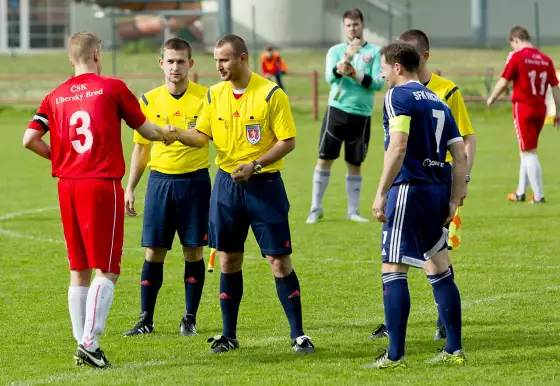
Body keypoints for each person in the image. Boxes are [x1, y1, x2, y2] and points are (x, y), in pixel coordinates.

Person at [22, 32, 176, 369]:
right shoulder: (112, 87)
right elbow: (147, 131)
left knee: (78, 269)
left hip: (67, 185)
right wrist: (171, 133)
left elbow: (28, 138)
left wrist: (62, 159)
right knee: (107, 269)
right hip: (100, 184)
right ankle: (90, 345)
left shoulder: (54, 95)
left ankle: (83, 344)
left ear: (70, 58)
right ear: (96, 53)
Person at [172, 34, 315, 355]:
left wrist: (255, 164)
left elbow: (287, 140)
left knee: (278, 261)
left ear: (242, 58)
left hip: (265, 185)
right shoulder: (214, 95)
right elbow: (201, 136)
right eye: (215, 60)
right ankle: (228, 334)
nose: (218, 66)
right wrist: (172, 133)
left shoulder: (270, 94)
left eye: (224, 59)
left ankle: (298, 335)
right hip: (226, 187)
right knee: (228, 259)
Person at [363, 42, 467, 369]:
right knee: (439, 268)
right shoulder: (437, 99)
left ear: (397, 67)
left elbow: (398, 145)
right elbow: (460, 153)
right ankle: (454, 350)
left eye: (383, 66)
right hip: (437, 190)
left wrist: (381, 191)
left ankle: (394, 356)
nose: (381, 73)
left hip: (409, 188)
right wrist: (454, 198)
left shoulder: (398, 96)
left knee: (393, 268)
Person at [122, 37, 210, 337]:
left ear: (190, 64)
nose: (175, 67)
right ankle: (146, 319)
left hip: (194, 182)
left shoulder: (205, 97)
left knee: (193, 252)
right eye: (170, 61)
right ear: (161, 63)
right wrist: (131, 186)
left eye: (181, 61)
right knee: (153, 252)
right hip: (160, 182)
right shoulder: (147, 100)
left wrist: (177, 134)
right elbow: (140, 149)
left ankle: (189, 318)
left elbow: (202, 138)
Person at [306, 8, 385, 224]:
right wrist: (345, 61)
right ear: (344, 27)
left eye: (356, 24)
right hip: (337, 111)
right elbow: (330, 79)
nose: (353, 28)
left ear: (363, 25)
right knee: (325, 159)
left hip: (362, 114)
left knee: (355, 162)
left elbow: (378, 83)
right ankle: (316, 208)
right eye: (349, 25)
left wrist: (355, 73)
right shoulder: (336, 50)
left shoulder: (375, 52)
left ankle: (353, 211)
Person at [488, 26, 560, 204]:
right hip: (540, 109)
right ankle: (520, 192)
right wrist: (558, 111)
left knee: (529, 152)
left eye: (512, 45)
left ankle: (538, 195)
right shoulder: (546, 59)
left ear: (516, 40)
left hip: (523, 108)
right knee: (526, 149)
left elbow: (504, 81)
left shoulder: (518, 57)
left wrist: (492, 98)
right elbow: (555, 88)